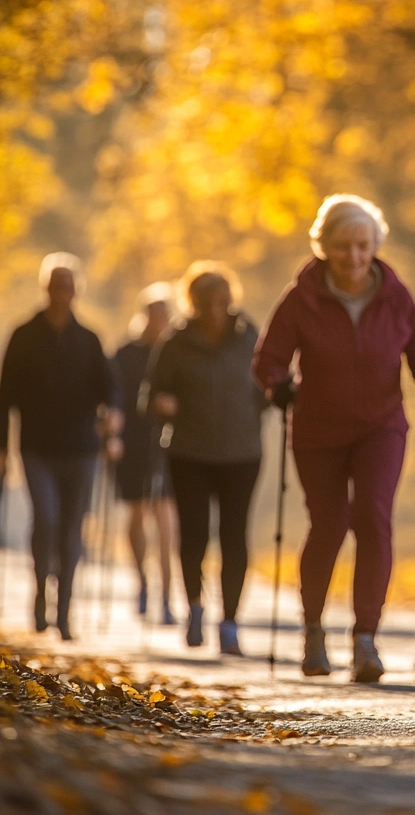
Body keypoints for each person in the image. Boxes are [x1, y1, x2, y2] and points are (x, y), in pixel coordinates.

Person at [254, 194, 415, 682]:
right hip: (317, 429)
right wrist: (278, 385)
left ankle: (365, 639)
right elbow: (268, 357)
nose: (354, 257)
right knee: (329, 525)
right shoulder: (303, 296)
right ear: (324, 247)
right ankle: (313, 630)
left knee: (374, 517)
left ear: (374, 245)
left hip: (381, 425)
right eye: (342, 246)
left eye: (362, 246)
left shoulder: (394, 294)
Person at [144, 263, 264, 656]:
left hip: (241, 452)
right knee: (194, 534)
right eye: (207, 302)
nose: (216, 309)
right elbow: (151, 396)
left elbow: (268, 383)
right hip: (189, 452)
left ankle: (229, 622)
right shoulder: (175, 341)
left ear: (231, 300)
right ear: (193, 304)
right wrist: (163, 403)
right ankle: (195, 608)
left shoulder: (250, 337)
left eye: (222, 301)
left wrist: (279, 392)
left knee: (234, 536)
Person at [0, 253, 121, 640]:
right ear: (46, 289)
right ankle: (40, 595)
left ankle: (64, 612)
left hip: (82, 448)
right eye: (55, 286)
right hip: (36, 447)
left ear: (76, 292)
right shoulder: (24, 334)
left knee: (72, 527)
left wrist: (113, 416)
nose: (61, 293)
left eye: (68, 287)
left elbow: (110, 388)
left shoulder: (89, 339)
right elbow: (5, 398)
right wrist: (2, 447)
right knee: (47, 519)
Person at [112, 283, 178, 625]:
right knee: (137, 514)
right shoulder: (125, 354)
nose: (158, 321)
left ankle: (167, 598)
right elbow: (112, 394)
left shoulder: (179, 350)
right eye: (153, 315)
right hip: (134, 442)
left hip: (170, 443)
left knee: (166, 517)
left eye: (163, 315)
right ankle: (143, 582)